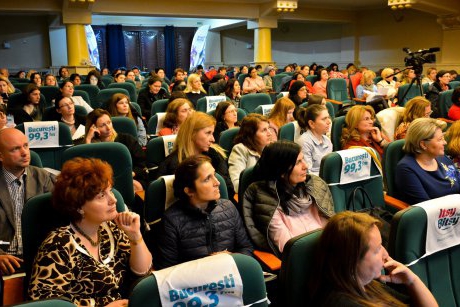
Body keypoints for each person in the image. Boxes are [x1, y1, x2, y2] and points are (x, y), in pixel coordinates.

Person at [28, 157, 152, 306]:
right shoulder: (58, 245)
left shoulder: (112, 229)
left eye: (110, 191)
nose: (113, 200)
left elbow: (142, 273)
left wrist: (135, 236)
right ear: (78, 206)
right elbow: (47, 303)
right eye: (101, 196)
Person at [309, 211, 438, 307]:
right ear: (351, 261)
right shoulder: (342, 303)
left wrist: (412, 281)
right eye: (377, 250)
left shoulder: (369, 284)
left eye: (382, 245)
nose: (386, 254)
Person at [157, 155, 253, 269]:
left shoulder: (229, 207)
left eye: (214, 175)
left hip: (230, 275)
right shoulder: (171, 221)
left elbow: (246, 248)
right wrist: (208, 265)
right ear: (189, 191)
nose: (217, 182)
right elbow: (168, 269)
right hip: (194, 284)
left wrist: (231, 258)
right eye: (207, 179)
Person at [243, 140, 333, 255]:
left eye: (303, 159)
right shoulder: (269, 203)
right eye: (298, 162)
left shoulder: (314, 187)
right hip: (305, 260)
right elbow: (289, 249)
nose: (306, 166)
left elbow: (331, 230)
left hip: (328, 252)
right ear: (281, 170)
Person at [0, 128, 55, 275]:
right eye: (16, 149)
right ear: (1, 155)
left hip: (38, 258)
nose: (25, 152)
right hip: (4, 259)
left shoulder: (44, 178)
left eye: (26, 146)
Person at [157, 111, 234, 198]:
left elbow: (229, 190)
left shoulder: (215, 155)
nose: (213, 139)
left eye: (212, 133)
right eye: (208, 133)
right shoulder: (172, 164)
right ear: (192, 134)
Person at [395, 118, 460, 205]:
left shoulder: (442, 158)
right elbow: (426, 207)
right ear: (423, 144)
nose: (445, 142)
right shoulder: (406, 169)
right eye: (440, 139)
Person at [83, 109, 147, 191]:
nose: (108, 127)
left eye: (109, 122)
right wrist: (88, 140)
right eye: (102, 125)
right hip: (101, 184)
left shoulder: (126, 139)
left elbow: (142, 163)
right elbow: (86, 169)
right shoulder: (91, 146)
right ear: (93, 128)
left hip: (131, 178)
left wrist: (130, 175)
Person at [228, 114, 271, 192]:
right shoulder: (240, 150)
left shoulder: (271, 149)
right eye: (264, 130)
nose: (269, 133)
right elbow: (237, 185)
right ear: (251, 134)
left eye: (269, 128)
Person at [295, 105, 332, 176]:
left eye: (328, 117)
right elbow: (307, 172)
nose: (329, 122)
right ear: (312, 124)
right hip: (313, 181)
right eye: (324, 119)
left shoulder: (327, 140)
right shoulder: (304, 142)